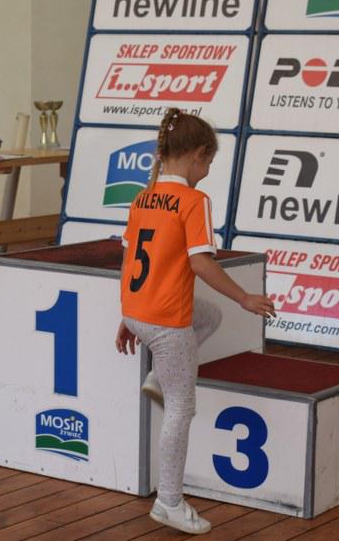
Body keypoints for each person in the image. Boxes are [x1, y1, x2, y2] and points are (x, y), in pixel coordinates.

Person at [114, 108, 275, 535]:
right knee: (181, 410)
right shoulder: (193, 201)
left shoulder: (143, 197)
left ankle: (157, 377)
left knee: (209, 315)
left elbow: (128, 260)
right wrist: (245, 298)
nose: (207, 173)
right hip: (165, 323)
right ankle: (168, 501)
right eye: (209, 163)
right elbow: (201, 263)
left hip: (139, 312)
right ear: (197, 155)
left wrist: (128, 316)